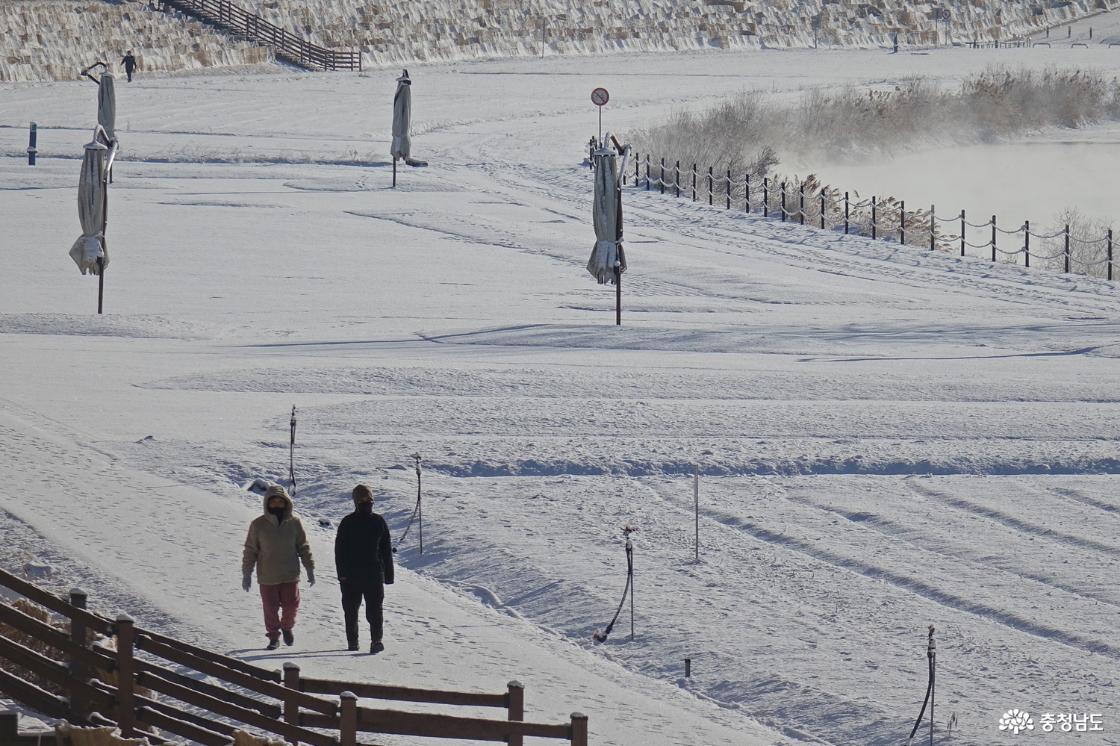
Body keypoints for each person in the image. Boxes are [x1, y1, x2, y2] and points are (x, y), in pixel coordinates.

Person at [242, 485, 315, 650]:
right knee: (270, 609)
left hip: (290, 574)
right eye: (273, 501)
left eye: (280, 502)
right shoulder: (258, 524)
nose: (276, 505)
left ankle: (287, 627)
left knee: (292, 606)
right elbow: (250, 550)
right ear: (267, 503)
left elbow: (303, 547)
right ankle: (273, 637)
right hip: (268, 576)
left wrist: (309, 568)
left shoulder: (294, 523)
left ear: (286, 503)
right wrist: (247, 573)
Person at [335, 484, 394, 653]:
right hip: (350, 577)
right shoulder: (347, 522)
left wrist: (388, 576)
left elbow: (386, 550)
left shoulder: (378, 522)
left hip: (374, 576)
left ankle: (376, 641)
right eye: (362, 500)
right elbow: (340, 551)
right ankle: (352, 642)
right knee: (350, 611)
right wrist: (342, 575)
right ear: (355, 502)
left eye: (369, 499)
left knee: (375, 612)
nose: (366, 503)